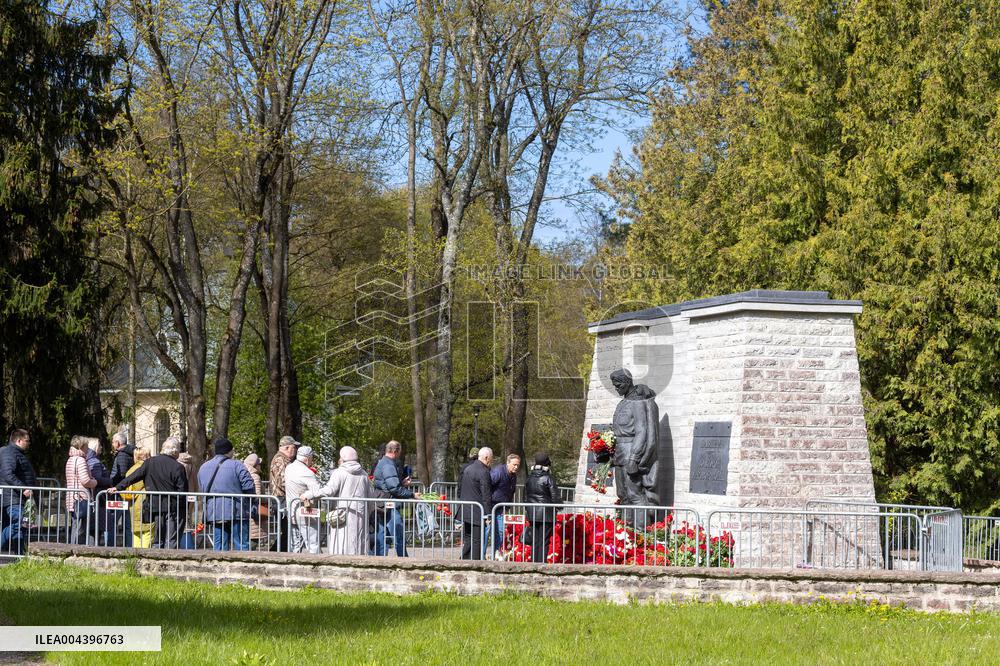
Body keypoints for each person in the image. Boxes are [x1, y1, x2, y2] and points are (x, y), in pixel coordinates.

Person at [111, 437, 188, 549]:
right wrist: (184, 508)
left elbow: (133, 476)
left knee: (157, 539)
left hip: (155, 506)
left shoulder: (150, 462)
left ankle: (156, 562)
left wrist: (118, 487)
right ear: (175, 451)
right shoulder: (178, 467)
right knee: (171, 539)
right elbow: (182, 491)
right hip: (173, 508)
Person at [301, 446, 371, 556]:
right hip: (360, 514)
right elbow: (370, 497)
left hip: (341, 514)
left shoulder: (339, 473)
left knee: (342, 542)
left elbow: (329, 490)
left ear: (342, 458)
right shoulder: (364, 474)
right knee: (358, 542)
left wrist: (310, 494)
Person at [198, 438, 255, 551]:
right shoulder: (237, 465)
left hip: (214, 511)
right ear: (230, 451)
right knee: (241, 544)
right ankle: (242, 567)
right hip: (237, 511)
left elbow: (202, 487)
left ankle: (219, 566)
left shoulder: (203, 467)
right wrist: (251, 503)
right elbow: (249, 486)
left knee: (219, 545)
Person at [373, 440, 414, 557]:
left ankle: (379, 561)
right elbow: (394, 489)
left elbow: (389, 484)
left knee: (382, 534)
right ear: (395, 451)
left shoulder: (383, 462)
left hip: (382, 502)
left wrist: (401, 483)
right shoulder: (388, 465)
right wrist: (412, 495)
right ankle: (403, 561)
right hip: (389, 504)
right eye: (399, 451)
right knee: (397, 533)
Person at [0, 429, 36, 556]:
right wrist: (23, 488)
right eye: (27, 441)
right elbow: (8, 474)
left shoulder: (16, 453)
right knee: (20, 523)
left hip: (17, 498)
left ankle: (19, 557)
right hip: (12, 498)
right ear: (18, 440)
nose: (29, 443)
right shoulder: (9, 452)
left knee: (21, 528)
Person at [284, 445, 321, 554]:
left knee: (295, 544)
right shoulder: (306, 472)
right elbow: (317, 491)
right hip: (305, 512)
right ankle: (315, 567)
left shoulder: (289, 467)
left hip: (291, 509)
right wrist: (307, 495)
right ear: (307, 458)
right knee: (312, 543)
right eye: (311, 458)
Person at [458, 447, 493, 560]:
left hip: (466, 509)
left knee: (468, 539)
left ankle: (464, 561)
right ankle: (475, 564)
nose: (491, 462)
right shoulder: (484, 472)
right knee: (477, 540)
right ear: (487, 458)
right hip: (477, 512)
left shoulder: (468, 468)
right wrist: (488, 514)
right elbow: (486, 495)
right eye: (491, 459)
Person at [525, 452, 558, 564]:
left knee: (535, 540)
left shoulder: (529, 478)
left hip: (532, 513)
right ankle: (541, 564)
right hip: (546, 514)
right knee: (544, 540)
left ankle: (534, 563)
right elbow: (555, 498)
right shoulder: (548, 478)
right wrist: (558, 507)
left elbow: (525, 497)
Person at [64, 435, 97, 545]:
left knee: (75, 525)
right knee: (80, 528)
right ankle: (76, 551)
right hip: (81, 497)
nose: (88, 449)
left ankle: (73, 548)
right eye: (87, 446)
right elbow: (85, 480)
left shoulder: (70, 459)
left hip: (72, 498)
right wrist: (94, 482)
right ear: (82, 447)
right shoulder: (81, 460)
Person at [268, 435, 299, 551]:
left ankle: (275, 553)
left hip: (282, 499)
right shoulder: (280, 460)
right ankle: (273, 554)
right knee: (287, 531)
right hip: (281, 500)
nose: (295, 450)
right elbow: (282, 481)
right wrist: (296, 489)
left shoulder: (283, 460)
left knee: (287, 532)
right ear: (287, 448)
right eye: (294, 448)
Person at [85, 438, 116, 546]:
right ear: (96, 447)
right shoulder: (95, 461)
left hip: (96, 497)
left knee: (95, 526)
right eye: (100, 446)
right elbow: (97, 479)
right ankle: (93, 549)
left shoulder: (90, 459)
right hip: (99, 498)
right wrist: (110, 480)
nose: (102, 448)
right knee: (97, 527)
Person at [489, 454, 520, 557]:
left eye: (517, 465)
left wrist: (507, 506)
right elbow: (487, 486)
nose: (516, 467)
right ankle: (484, 554)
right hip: (492, 506)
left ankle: (496, 553)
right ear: (508, 463)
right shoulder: (498, 472)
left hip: (502, 507)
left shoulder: (513, 475)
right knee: (489, 531)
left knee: (500, 532)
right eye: (514, 465)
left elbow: (511, 491)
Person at [120, 448, 153, 548]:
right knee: (148, 531)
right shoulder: (148, 468)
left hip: (133, 504)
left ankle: (136, 557)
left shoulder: (131, 470)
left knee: (136, 533)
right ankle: (145, 556)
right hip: (145, 503)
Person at [109, 432, 135, 546]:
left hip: (119, 492)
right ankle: (128, 546)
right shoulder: (130, 453)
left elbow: (122, 474)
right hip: (126, 492)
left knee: (113, 521)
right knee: (127, 522)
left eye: (113, 442)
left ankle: (110, 546)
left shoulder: (122, 455)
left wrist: (112, 484)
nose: (112, 444)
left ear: (118, 443)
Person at [243, 453, 267, 545]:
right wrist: (267, 500)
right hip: (255, 514)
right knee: (253, 541)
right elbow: (257, 496)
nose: (260, 466)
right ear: (255, 465)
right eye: (259, 464)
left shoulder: (245, 474)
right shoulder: (255, 477)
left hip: (249, 512)